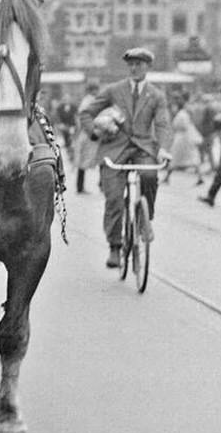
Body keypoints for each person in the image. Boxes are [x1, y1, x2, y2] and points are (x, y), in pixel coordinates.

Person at [77, 47, 172, 268]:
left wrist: (164, 148)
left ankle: (144, 221)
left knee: (149, 175)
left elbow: (163, 124)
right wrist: (94, 132)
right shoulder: (114, 90)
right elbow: (86, 113)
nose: (134, 68)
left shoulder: (156, 95)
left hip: (143, 148)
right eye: (131, 64)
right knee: (114, 198)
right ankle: (115, 247)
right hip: (114, 149)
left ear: (147, 67)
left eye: (139, 64)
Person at [165, 94, 205, 185]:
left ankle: (167, 177)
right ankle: (199, 177)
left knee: (176, 157)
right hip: (183, 138)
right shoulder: (182, 114)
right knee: (187, 158)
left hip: (183, 139)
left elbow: (183, 126)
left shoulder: (182, 114)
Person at [71, 83, 100, 194]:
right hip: (89, 132)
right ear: (92, 90)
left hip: (87, 131)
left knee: (84, 160)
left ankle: (81, 186)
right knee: (85, 159)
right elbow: (83, 116)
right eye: (95, 90)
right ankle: (80, 186)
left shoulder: (87, 100)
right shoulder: (90, 101)